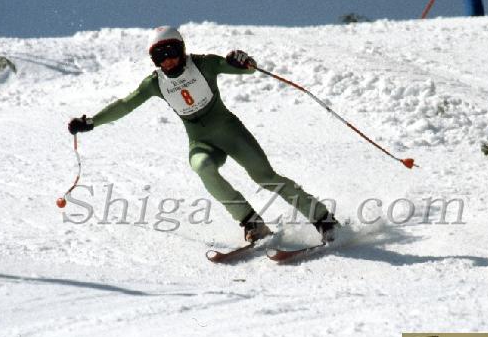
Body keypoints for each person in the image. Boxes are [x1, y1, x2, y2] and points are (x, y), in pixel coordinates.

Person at [68, 26, 339, 243]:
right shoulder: (155, 83)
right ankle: (252, 223)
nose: (168, 60)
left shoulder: (204, 64)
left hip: (231, 132)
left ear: (182, 49)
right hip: (201, 142)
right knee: (202, 166)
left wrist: (242, 60)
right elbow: (125, 104)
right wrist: (92, 122)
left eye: (172, 51)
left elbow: (246, 69)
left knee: (265, 177)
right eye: (160, 56)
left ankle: (324, 219)